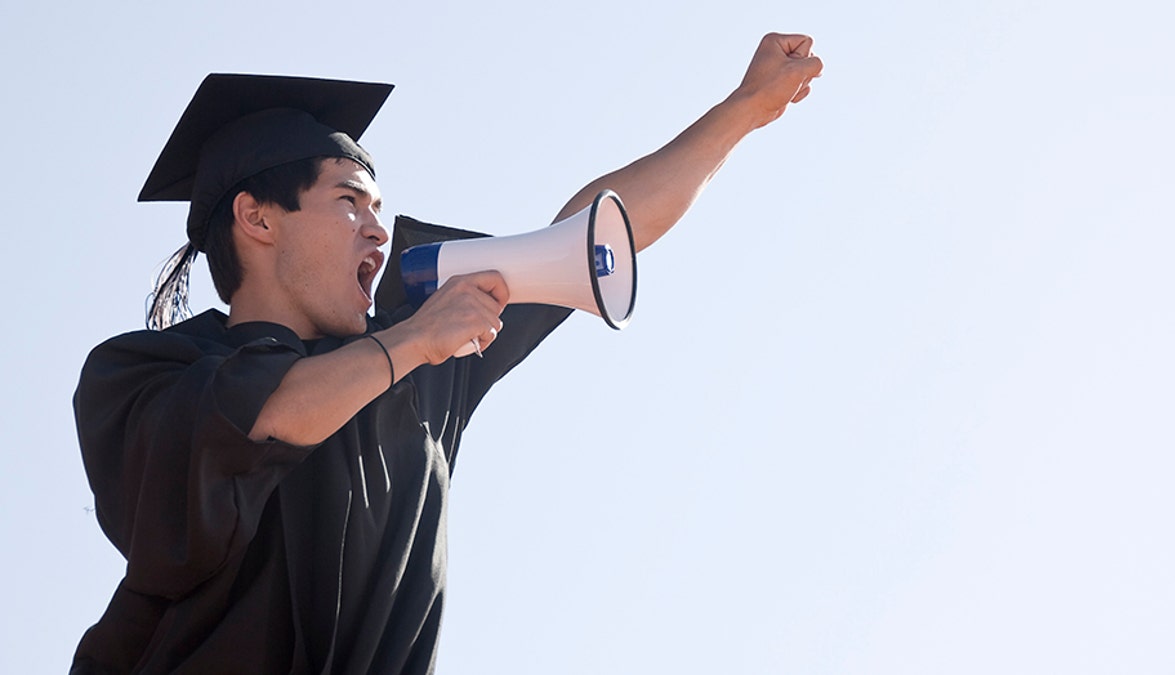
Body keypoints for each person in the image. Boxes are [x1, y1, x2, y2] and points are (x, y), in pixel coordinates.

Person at [71, 33, 823, 674]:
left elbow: (586, 237)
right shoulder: (143, 373)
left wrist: (745, 110)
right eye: (347, 201)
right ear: (258, 218)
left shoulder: (424, 354)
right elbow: (265, 414)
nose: (376, 227)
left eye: (376, 206)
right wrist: (411, 341)